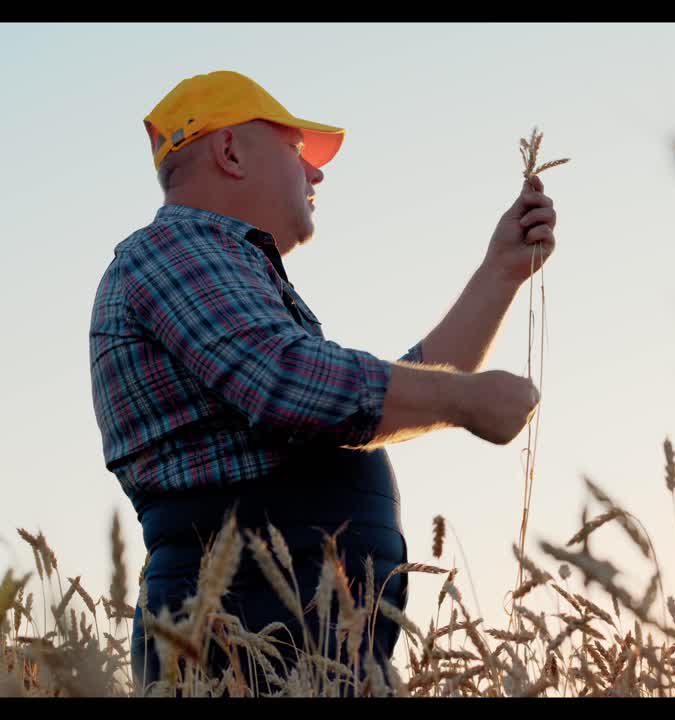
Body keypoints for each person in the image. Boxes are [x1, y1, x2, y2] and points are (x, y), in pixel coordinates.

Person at [88, 70, 555, 694]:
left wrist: (500, 272)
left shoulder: (232, 273)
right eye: (297, 151)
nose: (317, 174)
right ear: (230, 152)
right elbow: (289, 382)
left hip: (305, 645)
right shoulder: (173, 251)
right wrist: (466, 402)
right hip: (244, 641)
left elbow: (378, 390)